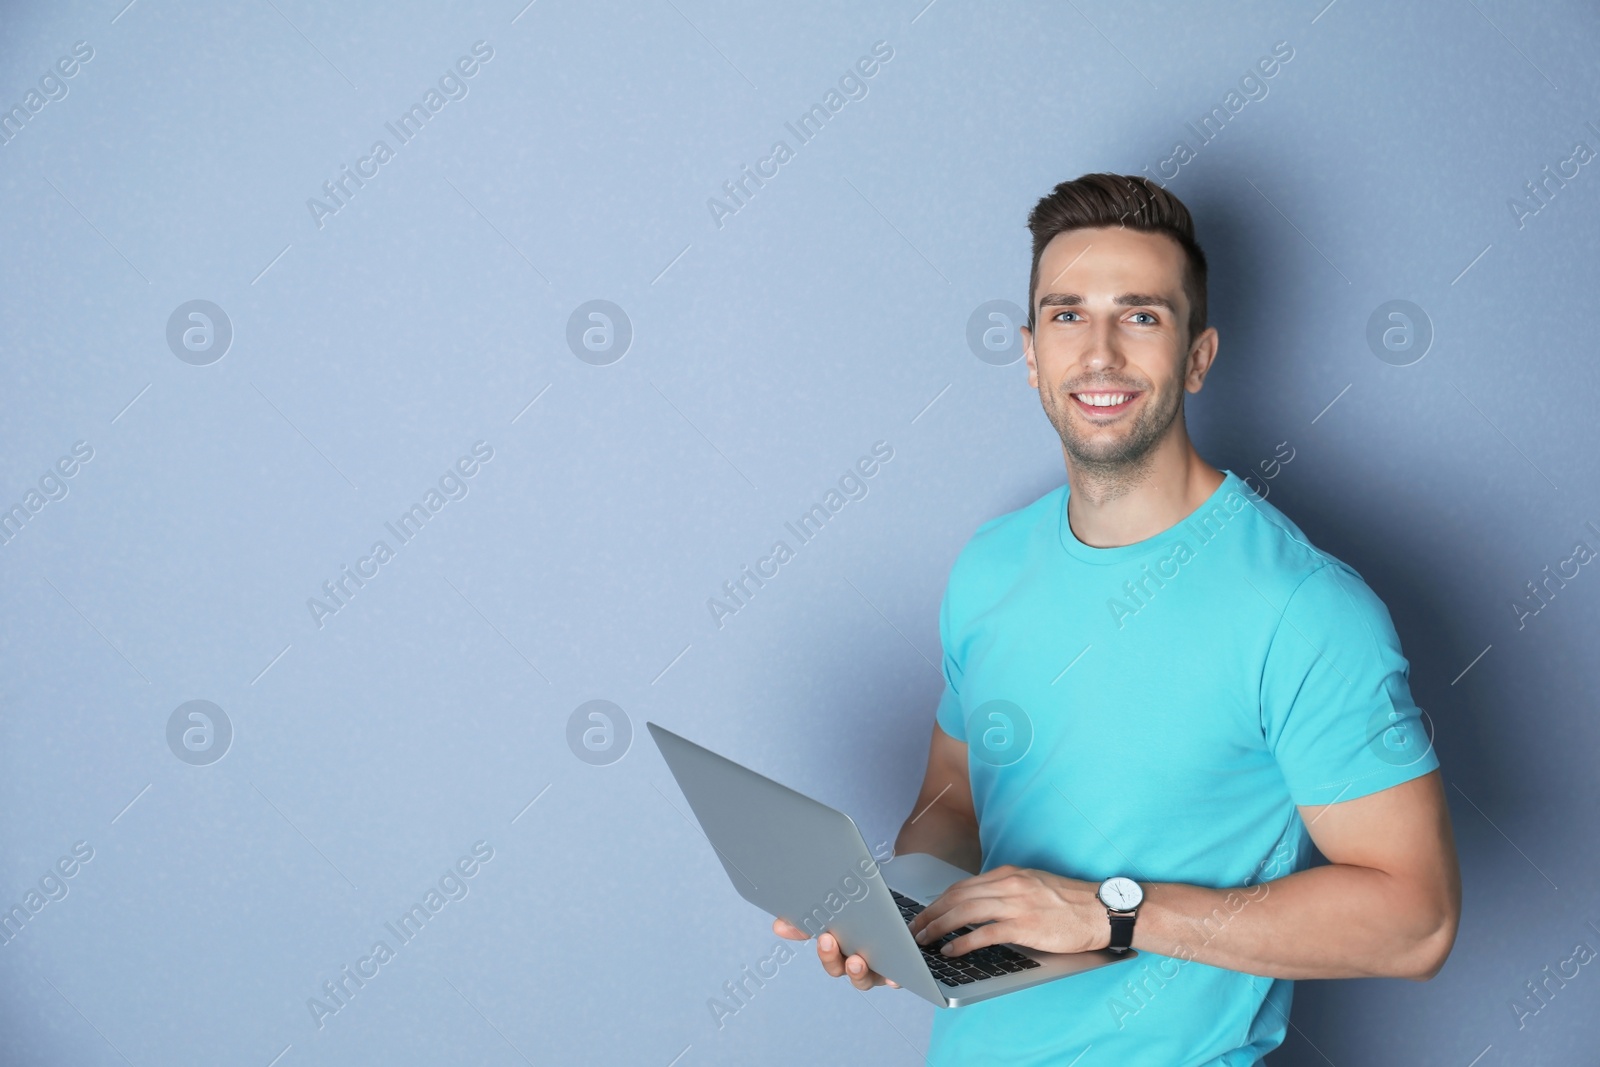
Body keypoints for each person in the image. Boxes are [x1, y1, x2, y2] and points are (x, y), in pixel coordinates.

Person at [773, 173, 1460, 1064]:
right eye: (1067, 315)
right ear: (1028, 352)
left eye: (1140, 315)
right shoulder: (990, 564)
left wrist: (1113, 910)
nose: (1098, 353)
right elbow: (952, 799)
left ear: (1199, 355)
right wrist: (906, 920)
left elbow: (1417, 921)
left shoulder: (1302, 607)